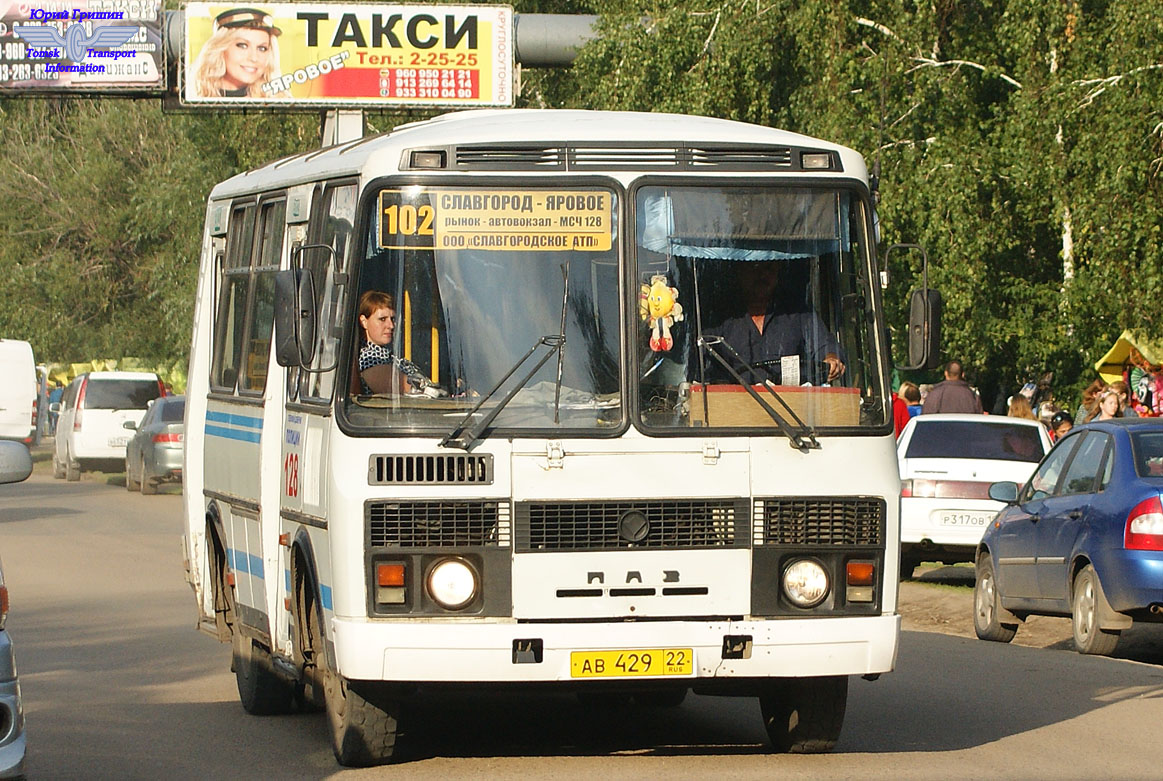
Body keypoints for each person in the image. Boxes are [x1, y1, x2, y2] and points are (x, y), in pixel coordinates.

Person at [705, 261, 844, 385]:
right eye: (755, 267)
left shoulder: (798, 311)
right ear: (740, 269)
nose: (763, 275)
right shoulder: (719, 317)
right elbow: (704, 363)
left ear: (778, 270)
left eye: (769, 268)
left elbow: (824, 344)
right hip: (732, 408)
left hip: (792, 409)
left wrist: (831, 358)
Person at [190, 8, 284, 98]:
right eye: (242, 46)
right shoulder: (194, 94)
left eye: (262, 48)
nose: (254, 58)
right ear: (221, 48)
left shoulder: (275, 99)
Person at [352, 290, 431, 396]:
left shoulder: (387, 355)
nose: (391, 325)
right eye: (382, 319)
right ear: (364, 322)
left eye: (392, 319)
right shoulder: (371, 360)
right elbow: (419, 393)